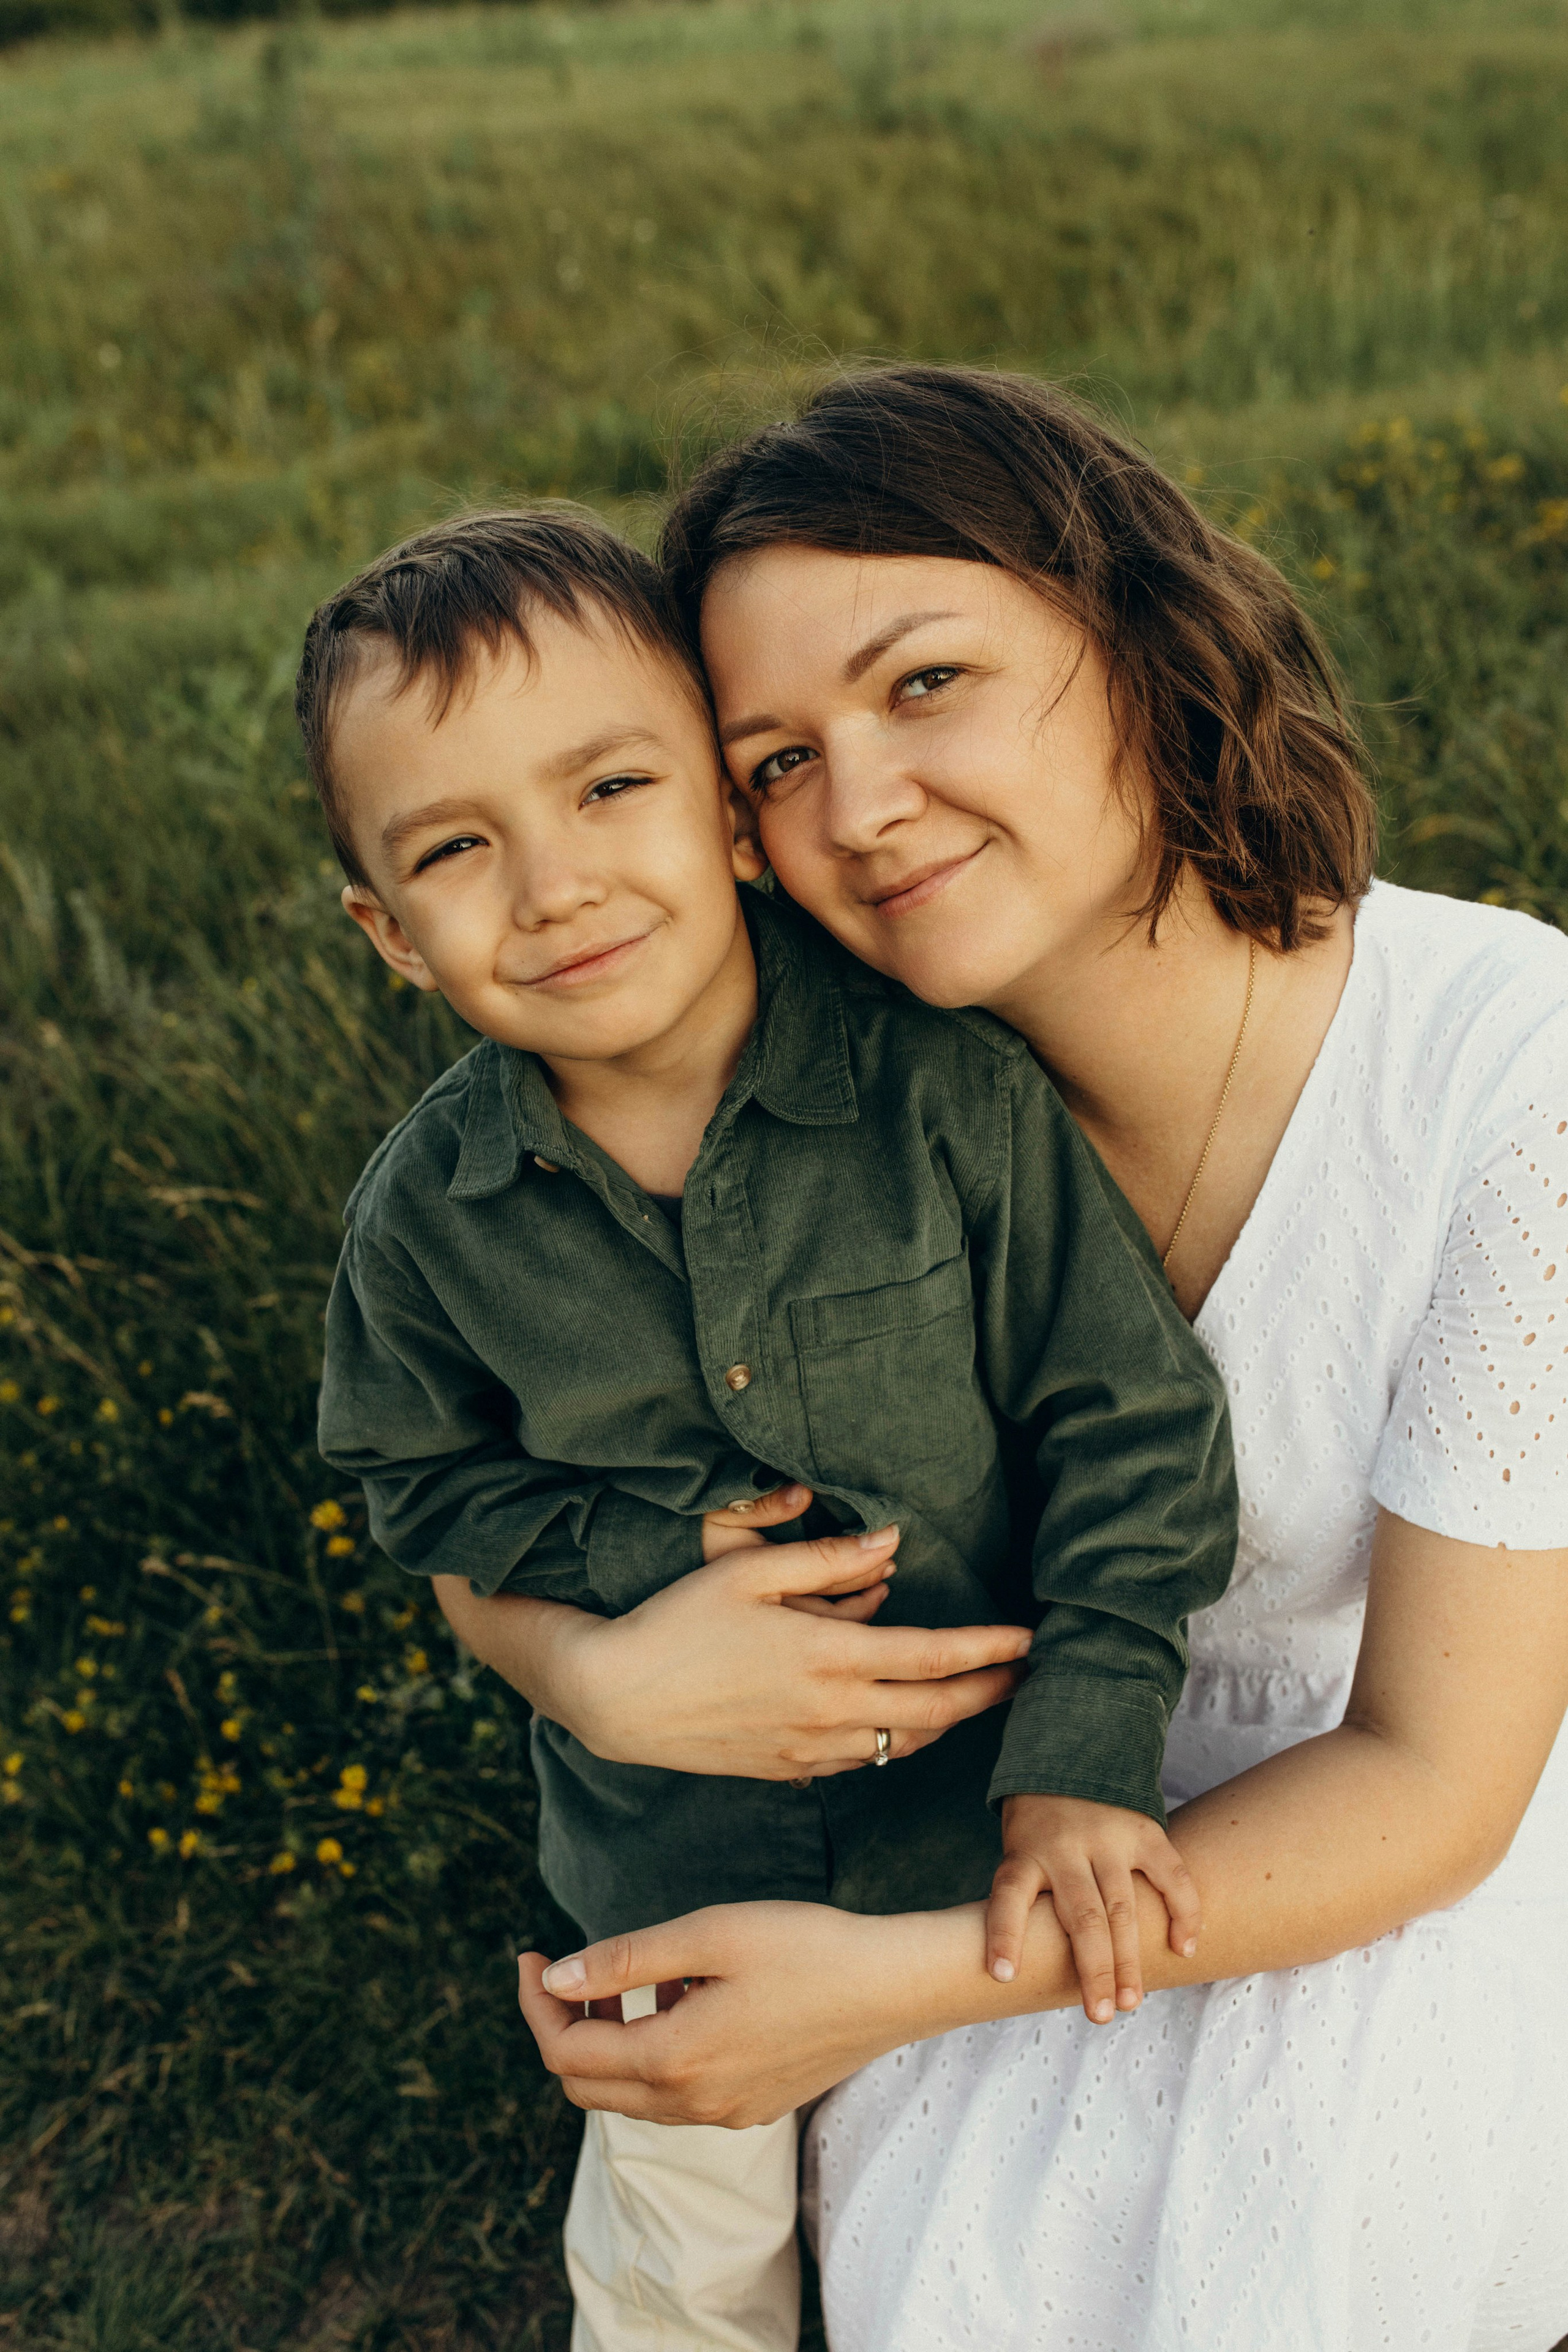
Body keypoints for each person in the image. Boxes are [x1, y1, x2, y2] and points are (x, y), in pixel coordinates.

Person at [515, 368, 1568, 2352]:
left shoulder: (1515, 1079)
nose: (860, 806)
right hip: (1000, 1809)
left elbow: (1441, 1777)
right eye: (771, 764)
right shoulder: (818, 1119)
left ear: (1130, 626)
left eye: (924, 683)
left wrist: (889, 1981)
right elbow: (489, 1448)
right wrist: (587, 1660)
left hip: (1412, 1830)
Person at [295, 505, 1240, 2352]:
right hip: (661, 1874)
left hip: (980, 1857)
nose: (552, 886)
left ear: (731, 818)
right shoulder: (431, 1219)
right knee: (682, 2276)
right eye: (457, 850)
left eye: (608, 790)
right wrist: (636, 1574)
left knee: (1035, 2256)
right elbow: (420, 1479)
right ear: (387, 932)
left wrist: (1088, 1745)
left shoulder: (942, 1097)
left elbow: (1129, 1418)